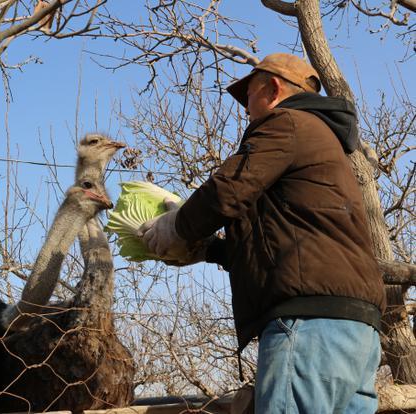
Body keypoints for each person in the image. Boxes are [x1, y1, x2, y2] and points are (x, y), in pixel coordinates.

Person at [139, 53, 386, 413]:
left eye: (249, 95)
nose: (245, 109)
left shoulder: (287, 123)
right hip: (357, 332)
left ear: (271, 88)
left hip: (310, 326)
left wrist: (176, 226)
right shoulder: (327, 145)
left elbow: (227, 191)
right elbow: (284, 238)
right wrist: (210, 250)